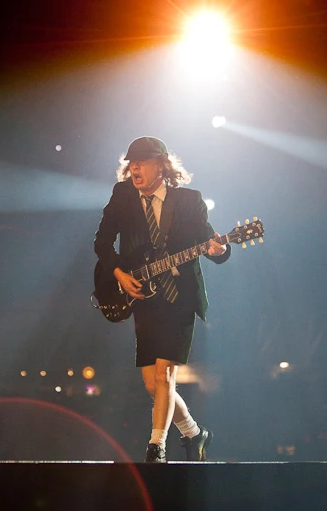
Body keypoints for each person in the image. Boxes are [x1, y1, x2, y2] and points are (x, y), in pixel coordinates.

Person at [94, 136, 231, 463]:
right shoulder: (123, 196)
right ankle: (195, 434)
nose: (135, 168)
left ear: (162, 165)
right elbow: (101, 243)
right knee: (152, 384)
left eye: (142, 161)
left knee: (165, 376)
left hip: (180, 299)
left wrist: (220, 249)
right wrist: (119, 274)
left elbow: (211, 246)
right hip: (144, 299)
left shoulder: (189, 201)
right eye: (131, 163)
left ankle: (156, 447)